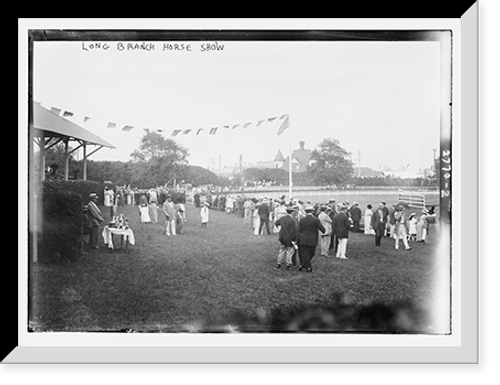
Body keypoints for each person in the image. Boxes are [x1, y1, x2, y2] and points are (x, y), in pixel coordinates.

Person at [298, 205, 326, 273]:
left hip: (304, 238)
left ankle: (303, 264)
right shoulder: (315, 220)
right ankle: (308, 267)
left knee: (305, 253)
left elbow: (299, 230)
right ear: (312, 211)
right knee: (311, 253)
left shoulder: (302, 220)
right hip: (313, 239)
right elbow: (322, 229)